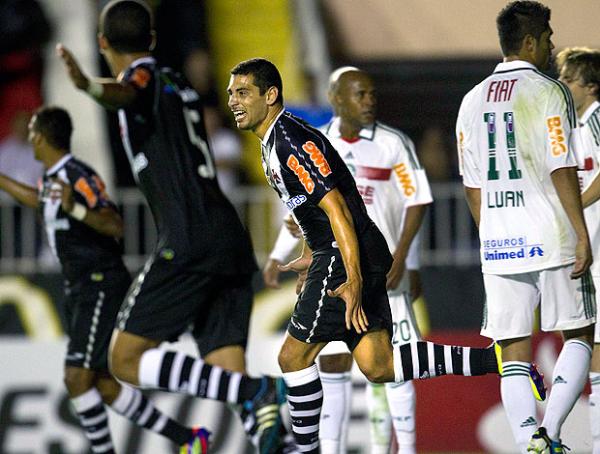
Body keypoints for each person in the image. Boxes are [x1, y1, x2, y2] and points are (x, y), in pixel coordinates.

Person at [226, 57, 537, 454]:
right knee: (379, 365)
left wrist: (351, 278)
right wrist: (309, 253)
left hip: (345, 253)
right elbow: (315, 209)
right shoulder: (276, 141)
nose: (234, 101)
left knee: (292, 357)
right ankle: (497, 361)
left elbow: (337, 209)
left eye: (243, 92)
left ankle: (304, 449)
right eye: (231, 93)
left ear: (270, 95)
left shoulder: (288, 140)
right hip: (356, 250)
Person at [56, 2, 288, 453]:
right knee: (225, 367)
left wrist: (88, 85)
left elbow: (129, 91)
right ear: (154, 39)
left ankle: (256, 392)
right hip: (227, 233)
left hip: (188, 238)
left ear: (103, 43)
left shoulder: (140, 79)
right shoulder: (177, 82)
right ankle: (276, 439)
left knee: (122, 359)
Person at [0, 106, 210, 454]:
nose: (29, 139)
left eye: (33, 132)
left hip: (99, 283)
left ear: (41, 137)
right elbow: (39, 201)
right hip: (80, 287)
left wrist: (77, 209)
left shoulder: (78, 175)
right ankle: (188, 439)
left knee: (76, 377)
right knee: (102, 382)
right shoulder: (52, 179)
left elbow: (115, 223)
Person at [263, 66, 432, 454]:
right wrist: (281, 255)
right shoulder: (315, 143)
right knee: (334, 364)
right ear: (337, 98)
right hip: (338, 268)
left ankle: (406, 449)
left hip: (384, 264)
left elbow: (417, 199)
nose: (370, 100)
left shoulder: (393, 143)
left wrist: (408, 259)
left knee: (392, 363)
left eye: (372, 93)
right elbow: (301, 213)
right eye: (361, 94)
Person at [456, 2, 596, 452]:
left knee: (513, 351)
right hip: (550, 235)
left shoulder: (471, 99)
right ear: (531, 42)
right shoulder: (548, 91)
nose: (554, 46)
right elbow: (561, 165)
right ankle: (550, 433)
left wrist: (489, 234)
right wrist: (580, 232)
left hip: (498, 241)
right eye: (549, 37)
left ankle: (526, 444)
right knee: (580, 334)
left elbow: (472, 186)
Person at [556, 46, 600, 454]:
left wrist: (577, 205)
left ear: (590, 86)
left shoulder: (598, 116)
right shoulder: (577, 124)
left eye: (568, 80)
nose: (563, 86)